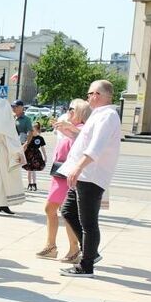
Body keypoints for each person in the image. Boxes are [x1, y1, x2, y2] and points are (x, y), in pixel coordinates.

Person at [60, 79, 123, 278]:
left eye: (90, 94)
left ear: (98, 94)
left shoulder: (108, 116)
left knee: (88, 222)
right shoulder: (99, 115)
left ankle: (86, 265)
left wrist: (78, 168)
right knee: (68, 211)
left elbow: (96, 146)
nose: (88, 97)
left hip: (91, 175)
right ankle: (91, 252)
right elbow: (85, 141)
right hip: (82, 174)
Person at [37, 99, 89, 261]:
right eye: (69, 108)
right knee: (54, 210)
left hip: (67, 175)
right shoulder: (72, 128)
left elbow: (82, 141)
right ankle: (51, 245)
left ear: (81, 113)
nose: (69, 111)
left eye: (72, 109)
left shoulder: (81, 129)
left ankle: (72, 248)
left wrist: (69, 128)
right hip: (60, 173)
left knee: (65, 212)